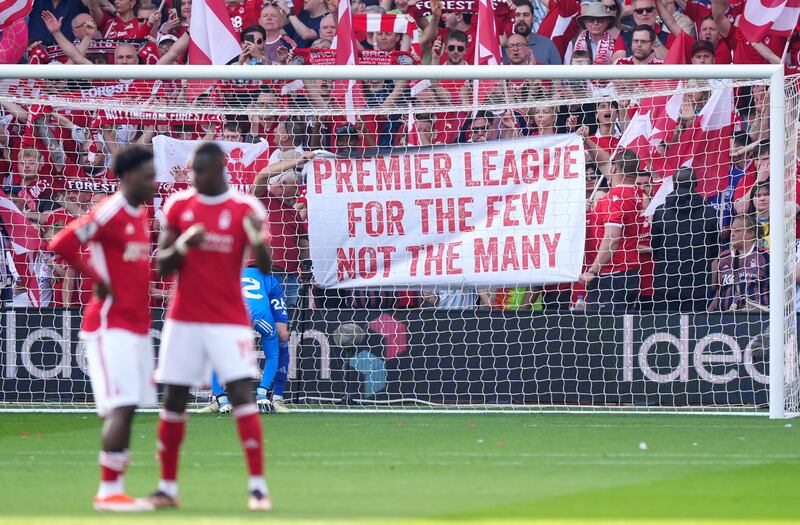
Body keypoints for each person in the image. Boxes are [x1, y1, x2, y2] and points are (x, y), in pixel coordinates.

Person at [147, 142, 273, 511]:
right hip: (183, 317)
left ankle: (258, 488)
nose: (191, 179)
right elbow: (162, 267)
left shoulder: (246, 207)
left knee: (241, 396)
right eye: (188, 172)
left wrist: (256, 239)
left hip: (229, 318)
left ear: (218, 169)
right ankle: (167, 488)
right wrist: (184, 243)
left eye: (196, 172)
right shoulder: (179, 206)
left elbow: (265, 265)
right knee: (174, 398)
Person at [48, 145, 158, 512]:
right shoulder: (109, 211)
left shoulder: (140, 215)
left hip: (136, 324)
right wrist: (97, 277)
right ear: (128, 177)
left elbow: (132, 267)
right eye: (148, 175)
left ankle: (115, 491)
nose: (154, 181)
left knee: (128, 407)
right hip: (110, 324)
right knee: (121, 405)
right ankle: (109, 493)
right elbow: (61, 242)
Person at [207, 267, 291, 414]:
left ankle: (277, 397)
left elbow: (272, 356)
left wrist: (262, 393)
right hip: (234, 292)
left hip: (269, 288)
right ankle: (218, 397)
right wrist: (221, 397)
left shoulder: (262, 318)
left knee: (282, 335)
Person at [580, 149, 646, 313]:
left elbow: (612, 238)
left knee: (605, 331)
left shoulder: (614, 199)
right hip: (630, 273)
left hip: (611, 276)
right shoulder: (637, 193)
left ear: (615, 168)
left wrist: (592, 271)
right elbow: (604, 163)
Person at [651, 167, 719, 312]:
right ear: (696, 184)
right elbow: (714, 251)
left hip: (666, 283)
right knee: (694, 331)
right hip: (697, 285)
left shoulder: (660, 212)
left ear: (674, 184)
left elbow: (655, 247)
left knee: (665, 330)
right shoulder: (710, 213)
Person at [709, 213, 769, 311]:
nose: (732, 234)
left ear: (751, 233)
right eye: (732, 230)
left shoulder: (765, 256)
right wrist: (708, 314)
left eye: (737, 231)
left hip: (757, 317)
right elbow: (717, 291)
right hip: (725, 318)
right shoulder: (723, 257)